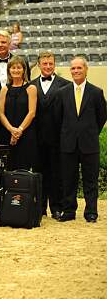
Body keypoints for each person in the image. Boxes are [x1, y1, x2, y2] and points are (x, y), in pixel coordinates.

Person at [55, 56, 106, 223]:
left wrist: (90, 132)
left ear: (86, 69)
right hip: (68, 144)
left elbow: (101, 117)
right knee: (68, 179)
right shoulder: (62, 92)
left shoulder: (96, 92)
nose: (76, 71)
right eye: (73, 68)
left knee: (90, 180)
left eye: (79, 68)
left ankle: (91, 211)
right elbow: (58, 118)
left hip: (89, 144)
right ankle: (68, 211)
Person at [30, 51, 69, 219]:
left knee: (57, 174)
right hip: (36, 138)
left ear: (54, 65)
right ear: (39, 65)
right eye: (44, 64)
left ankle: (57, 207)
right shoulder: (30, 86)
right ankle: (39, 207)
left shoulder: (65, 85)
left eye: (50, 64)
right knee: (38, 173)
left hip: (58, 138)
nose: (47, 67)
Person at [0, 55, 38, 171]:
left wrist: (19, 130)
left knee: (24, 169)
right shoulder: (4, 89)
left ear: (24, 70)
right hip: (7, 134)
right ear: (9, 70)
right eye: (13, 68)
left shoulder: (31, 88)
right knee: (8, 169)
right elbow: (1, 114)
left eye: (19, 67)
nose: (16, 70)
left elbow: (32, 113)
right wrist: (11, 130)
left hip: (26, 134)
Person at [0, 29, 30, 105]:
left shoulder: (22, 62)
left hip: (17, 106)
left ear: (9, 44)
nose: (0, 45)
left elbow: (27, 85)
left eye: (3, 42)